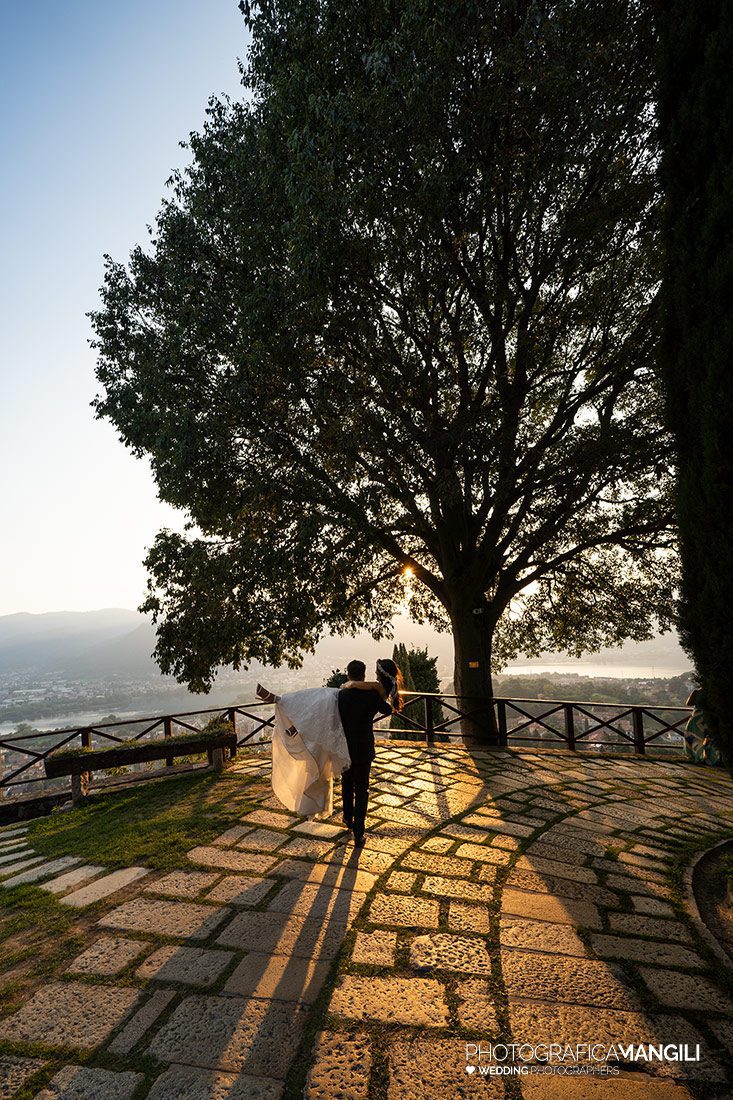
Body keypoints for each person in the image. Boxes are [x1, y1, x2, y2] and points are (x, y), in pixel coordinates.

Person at [255, 681, 351, 817]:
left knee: (322, 770)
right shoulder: (343, 692)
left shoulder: (341, 692)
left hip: (336, 738)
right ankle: (326, 809)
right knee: (321, 770)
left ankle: (281, 701)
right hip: (332, 737)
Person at [338, 658, 401, 846]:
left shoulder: (341, 696)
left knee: (347, 783)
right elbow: (388, 710)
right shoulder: (372, 696)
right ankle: (359, 833)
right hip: (364, 748)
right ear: (363, 675)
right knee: (362, 789)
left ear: (349, 674)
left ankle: (347, 818)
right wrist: (377, 689)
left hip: (345, 747)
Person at [683, 687, 721, 766]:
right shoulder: (716, 692)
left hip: (696, 719)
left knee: (694, 738)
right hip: (709, 719)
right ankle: (711, 759)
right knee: (710, 739)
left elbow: (688, 703)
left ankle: (697, 757)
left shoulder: (697, 692)